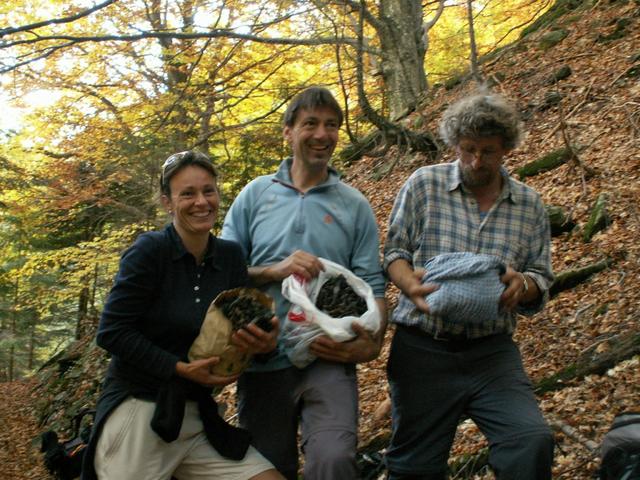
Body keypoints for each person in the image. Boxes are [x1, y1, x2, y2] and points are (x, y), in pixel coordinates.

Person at [81, 150, 284, 480]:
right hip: (140, 407)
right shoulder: (150, 252)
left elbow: (239, 332)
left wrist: (265, 345)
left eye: (208, 190)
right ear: (167, 203)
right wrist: (179, 369)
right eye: (187, 194)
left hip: (196, 416)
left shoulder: (230, 257)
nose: (201, 202)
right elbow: (112, 332)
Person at [383, 92, 555, 479]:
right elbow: (394, 251)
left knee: (530, 441)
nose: (477, 161)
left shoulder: (528, 204)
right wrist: (409, 285)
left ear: (506, 148)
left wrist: (522, 286)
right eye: (468, 150)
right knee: (414, 467)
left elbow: (541, 276)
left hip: (491, 353)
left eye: (488, 151)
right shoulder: (424, 185)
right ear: (455, 145)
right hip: (422, 347)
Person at [221, 86, 387, 480]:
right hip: (263, 358)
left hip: (327, 356)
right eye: (310, 123)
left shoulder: (353, 205)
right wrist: (273, 270)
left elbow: (371, 284)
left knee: (334, 458)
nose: (322, 134)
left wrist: (373, 343)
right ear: (288, 132)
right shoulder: (256, 195)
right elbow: (222, 272)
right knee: (267, 469)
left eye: (331, 125)